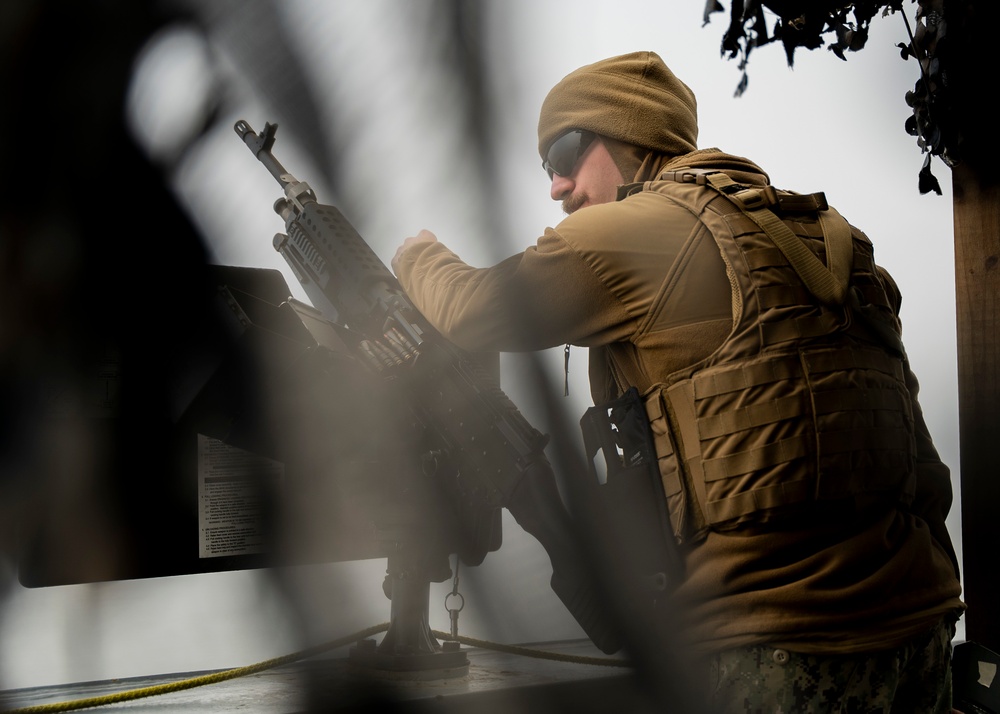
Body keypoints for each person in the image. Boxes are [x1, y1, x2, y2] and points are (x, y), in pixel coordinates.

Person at [390, 51, 965, 713]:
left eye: (568, 151)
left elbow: (470, 309)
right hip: (918, 635)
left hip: (776, 648)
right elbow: (919, 459)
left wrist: (417, 254)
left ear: (631, 137)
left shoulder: (632, 234)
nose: (556, 184)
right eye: (547, 164)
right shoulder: (834, 238)